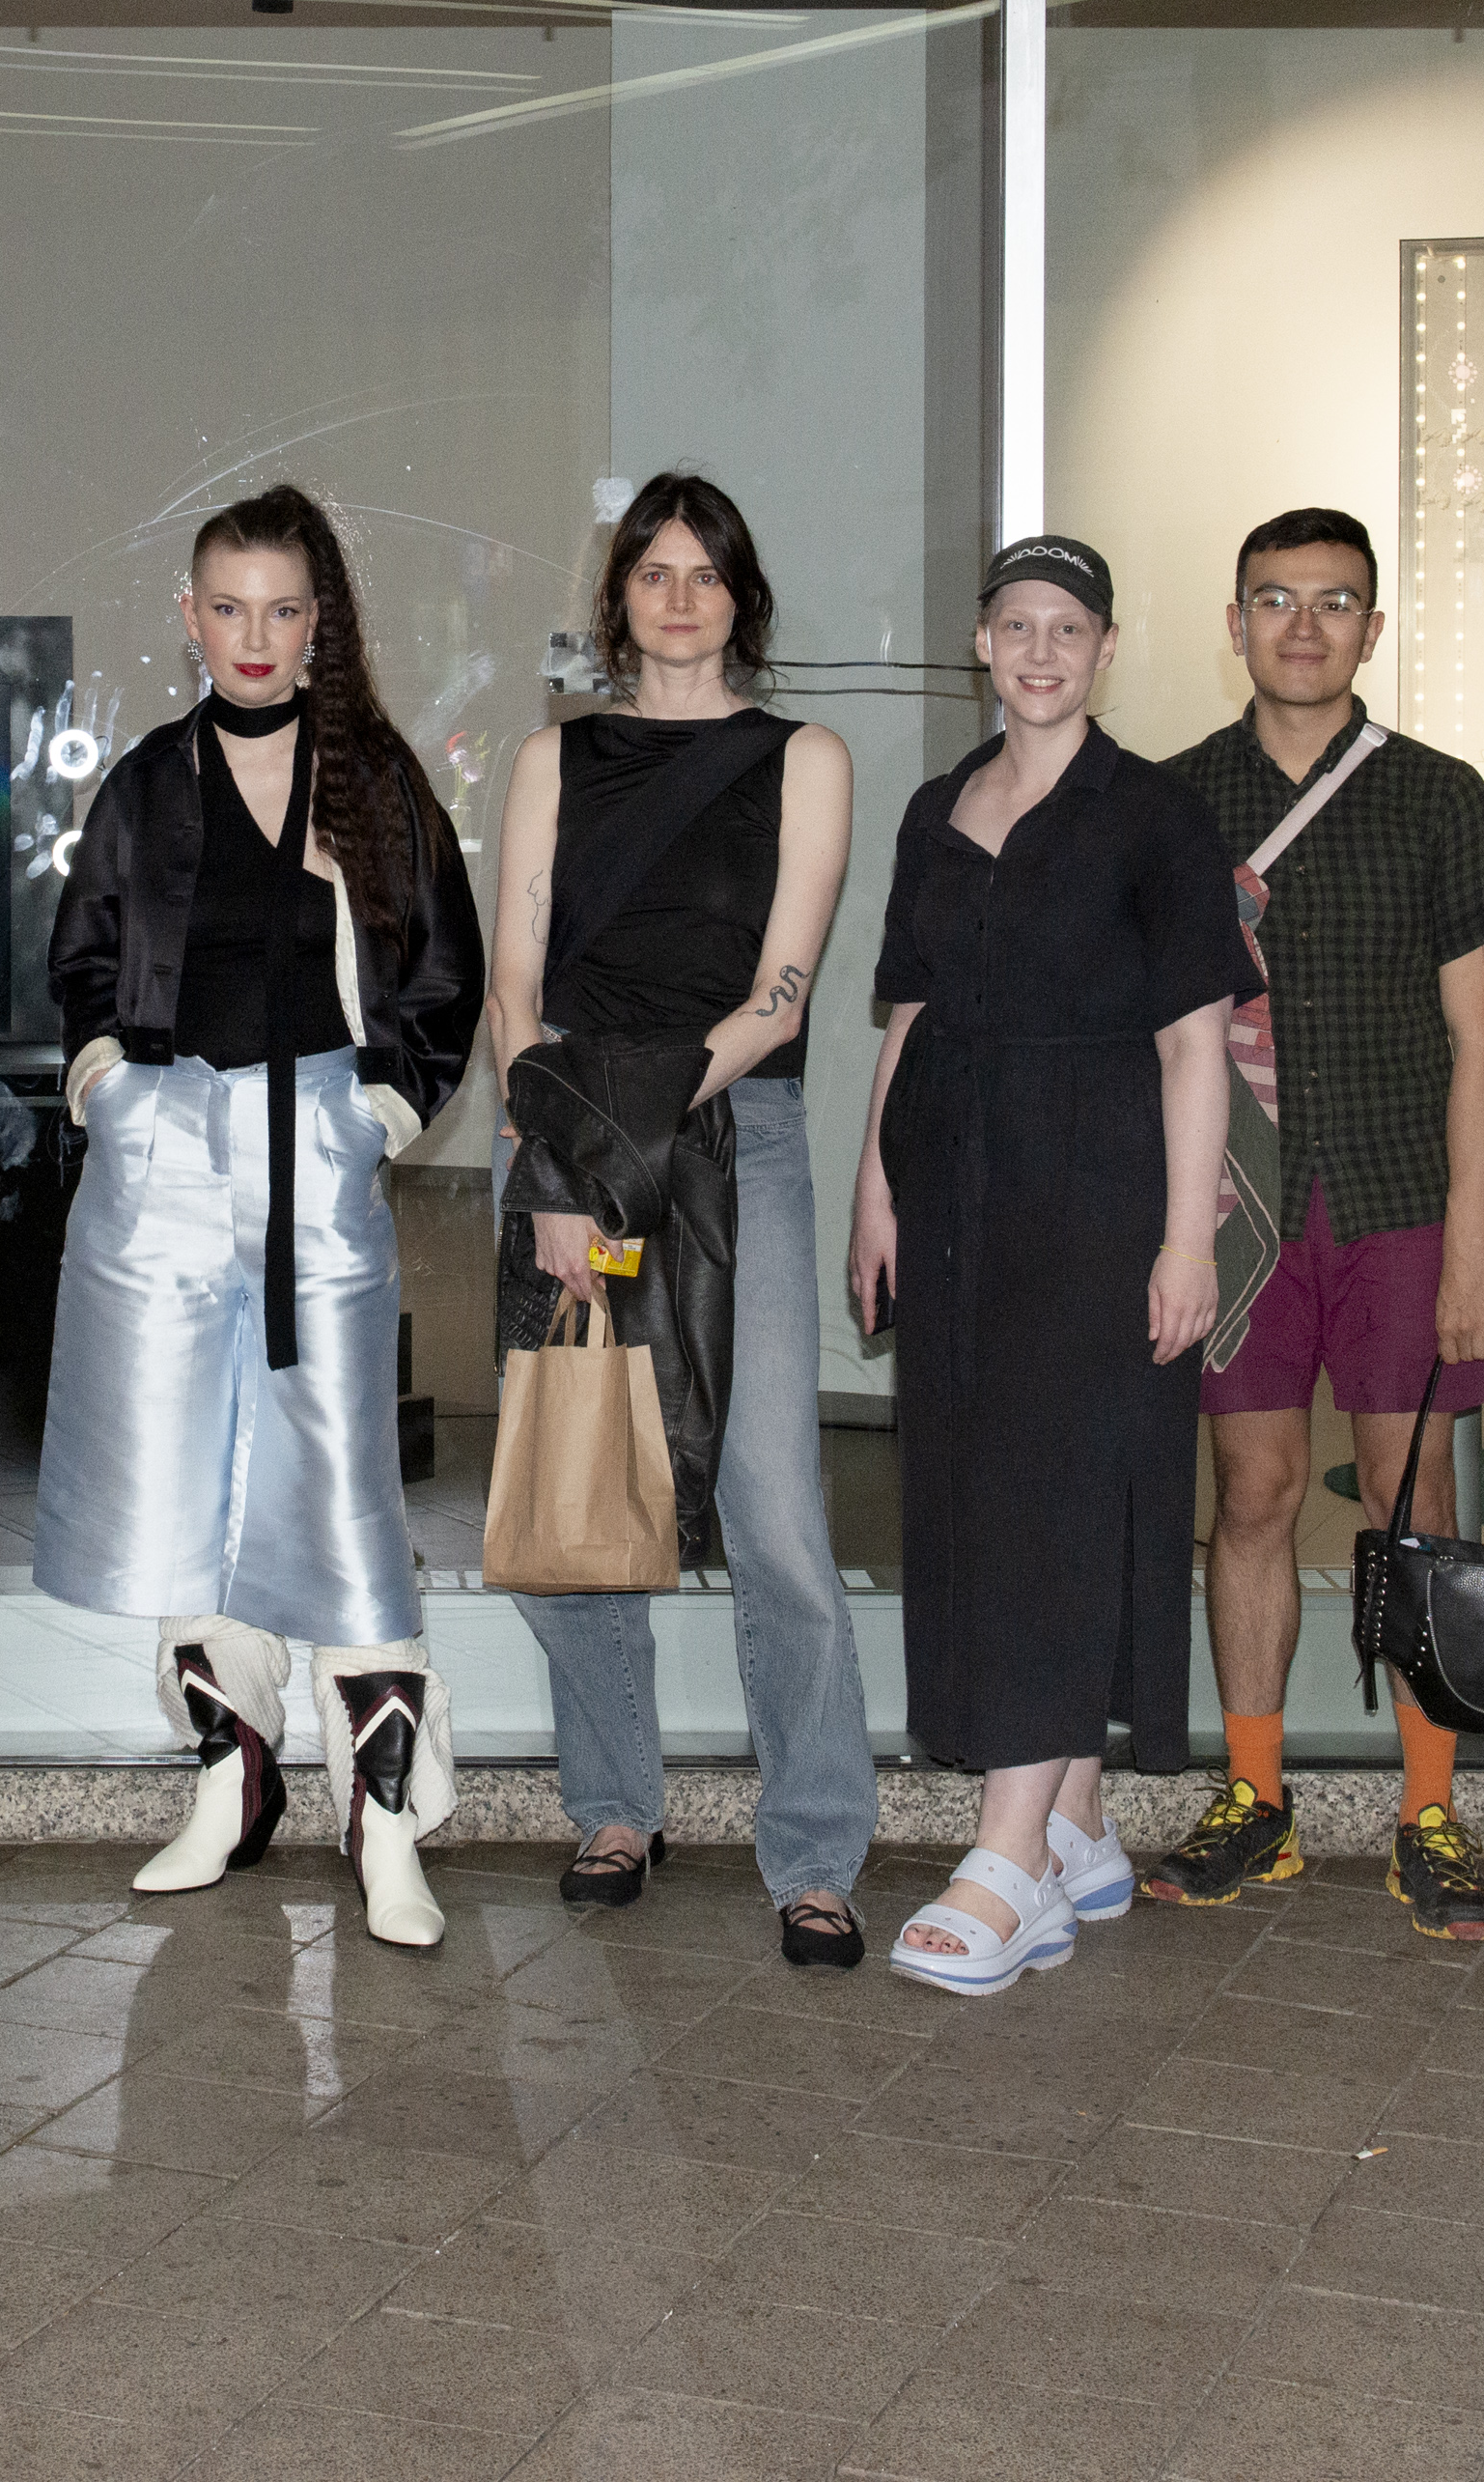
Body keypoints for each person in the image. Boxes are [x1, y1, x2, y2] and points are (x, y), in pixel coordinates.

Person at [34, 485, 490, 1949]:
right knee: (181, 1485)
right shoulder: (144, 782)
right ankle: (231, 1779)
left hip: (314, 1147)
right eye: (225, 607)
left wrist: (378, 1110)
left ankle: (384, 1812)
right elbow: (83, 957)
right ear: (187, 616)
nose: (252, 635)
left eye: (281, 608)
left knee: (341, 1485)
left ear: (319, 622)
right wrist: (108, 1083)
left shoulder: (375, 782)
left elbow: (442, 973)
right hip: (165, 1156)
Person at [849, 534, 1256, 1995]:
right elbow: (903, 1014)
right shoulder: (933, 808)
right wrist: (871, 1192)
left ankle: (1006, 1851)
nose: (1038, 650)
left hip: (1095, 1185)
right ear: (978, 641)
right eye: (1015, 624)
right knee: (968, 1486)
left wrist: (1183, 1232)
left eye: (1066, 627)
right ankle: (1073, 1815)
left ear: (1104, 647)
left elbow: (1193, 1037)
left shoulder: (1153, 815)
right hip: (951, 1179)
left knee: (1056, 1491)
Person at [485, 470, 872, 1968]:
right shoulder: (550, 761)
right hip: (575, 1138)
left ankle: (818, 1845)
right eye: (652, 568)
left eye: (705, 570)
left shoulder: (805, 757)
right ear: (618, 597)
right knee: (582, 1483)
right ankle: (614, 1803)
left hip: (729, 1130)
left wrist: (633, 1122)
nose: (679, 593)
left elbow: (779, 997)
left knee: (773, 1502)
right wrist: (563, 1156)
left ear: (740, 597)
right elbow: (515, 974)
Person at [1149, 509, 1484, 1943]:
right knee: (1246, 1499)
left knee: (1413, 1508)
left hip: (1395, 1204)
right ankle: (1259, 1801)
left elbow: (1481, 1044)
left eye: (1333, 602)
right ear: (1233, 621)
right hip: (1235, 1214)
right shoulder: (1172, 801)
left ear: (1374, 626)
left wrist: (1475, 1250)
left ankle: (1428, 1811)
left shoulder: (1438, 796)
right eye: (1273, 600)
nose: (1301, 626)